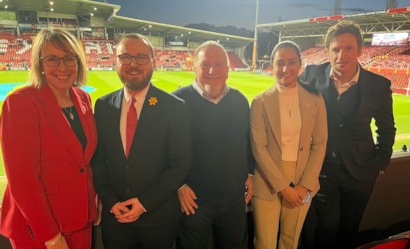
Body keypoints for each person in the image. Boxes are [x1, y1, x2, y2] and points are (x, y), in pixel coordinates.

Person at [299, 20, 396, 249]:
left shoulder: (378, 86)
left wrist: (380, 162)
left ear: (360, 50)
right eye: (336, 49)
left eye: (349, 48)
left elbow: (386, 128)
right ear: (328, 51)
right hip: (321, 170)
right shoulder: (311, 75)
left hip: (362, 172)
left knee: (349, 229)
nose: (342, 54)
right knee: (326, 228)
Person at [0, 28, 97, 249]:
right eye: (52, 59)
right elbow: (22, 179)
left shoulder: (83, 98)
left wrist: (94, 203)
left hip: (81, 220)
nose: (62, 67)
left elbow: (84, 163)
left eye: (69, 58)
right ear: (39, 64)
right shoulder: (21, 102)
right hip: (39, 228)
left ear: (78, 62)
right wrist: (49, 235)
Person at [91, 33, 191, 249]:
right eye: (125, 57)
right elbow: (97, 161)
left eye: (141, 58)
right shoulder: (103, 106)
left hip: (158, 221)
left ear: (154, 62)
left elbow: (180, 164)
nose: (133, 64)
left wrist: (145, 203)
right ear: (115, 61)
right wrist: (110, 201)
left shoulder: (174, 107)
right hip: (116, 220)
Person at [173, 41, 255, 249]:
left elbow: (247, 141)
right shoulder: (177, 102)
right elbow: (166, 150)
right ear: (194, 67)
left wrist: (250, 173)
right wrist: (179, 185)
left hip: (233, 198)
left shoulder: (239, 100)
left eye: (219, 65)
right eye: (205, 64)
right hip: (193, 200)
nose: (212, 70)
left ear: (228, 70)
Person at [249, 41, 328, 249]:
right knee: (264, 243)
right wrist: (284, 188)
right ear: (272, 66)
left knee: (290, 242)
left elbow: (320, 144)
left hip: (306, 183)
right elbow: (259, 148)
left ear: (300, 64)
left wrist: (304, 185)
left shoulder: (316, 98)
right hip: (267, 182)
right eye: (280, 63)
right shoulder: (260, 101)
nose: (286, 68)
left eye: (292, 62)